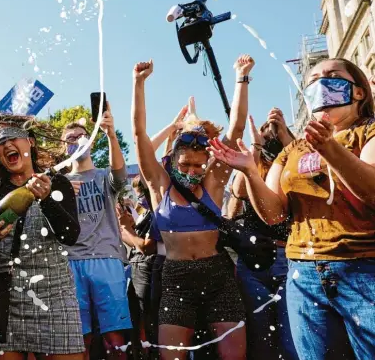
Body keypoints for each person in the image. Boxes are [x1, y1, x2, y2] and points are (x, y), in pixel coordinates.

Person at [209, 57, 375, 360]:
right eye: (313, 79)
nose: (321, 82)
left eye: (332, 75)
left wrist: (332, 149)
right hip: (304, 274)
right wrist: (250, 173)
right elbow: (274, 214)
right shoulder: (293, 150)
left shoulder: (369, 133)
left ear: (359, 91)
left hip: (362, 267)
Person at [132, 56, 252, 360]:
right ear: (172, 160)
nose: (193, 171)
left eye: (199, 165)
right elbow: (138, 135)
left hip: (218, 276)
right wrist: (139, 83)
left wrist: (241, 77)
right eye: (185, 164)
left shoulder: (212, 182)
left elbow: (236, 128)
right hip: (175, 277)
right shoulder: (160, 184)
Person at [0, 113, 84, 360]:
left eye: (12, 136)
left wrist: (47, 200)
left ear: (29, 141)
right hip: (3, 298)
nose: (6, 143)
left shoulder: (57, 182)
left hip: (54, 294)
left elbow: (70, 236)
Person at [226, 110, 298, 360]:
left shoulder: (292, 167)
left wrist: (287, 136)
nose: (271, 140)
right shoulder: (251, 167)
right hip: (254, 264)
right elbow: (236, 199)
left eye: (274, 136)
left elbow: (303, 160)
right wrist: (255, 147)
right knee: (261, 341)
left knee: (292, 340)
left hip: (288, 258)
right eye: (267, 137)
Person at [60, 105, 131, 360]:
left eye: (82, 136)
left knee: (115, 340)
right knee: (79, 338)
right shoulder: (59, 183)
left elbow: (121, 177)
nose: (77, 141)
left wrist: (111, 134)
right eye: (70, 139)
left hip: (107, 260)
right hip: (70, 263)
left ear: (90, 140)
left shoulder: (103, 176)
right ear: (63, 147)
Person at [119, 177, 156, 360]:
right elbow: (134, 243)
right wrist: (124, 229)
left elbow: (145, 246)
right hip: (136, 266)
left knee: (145, 319)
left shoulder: (157, 211)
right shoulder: (144, 211)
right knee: (135, 319)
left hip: (148, 268)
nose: (138, 198)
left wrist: (128, 230)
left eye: (140, 193)